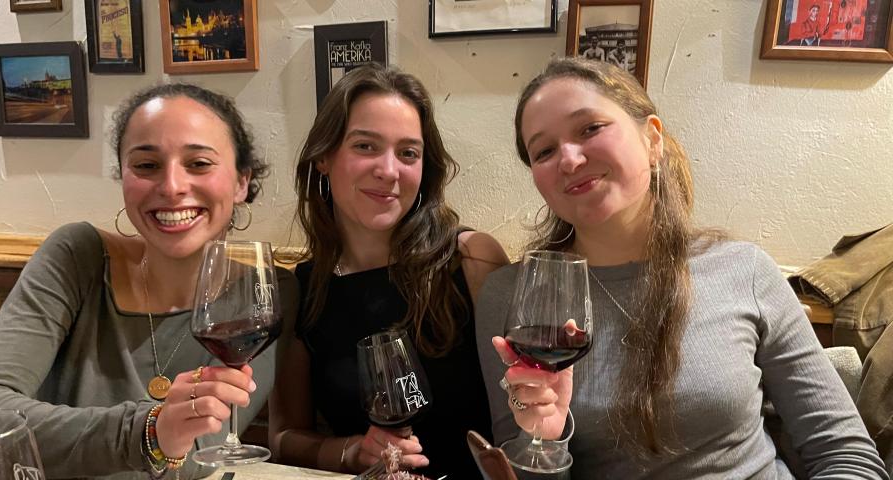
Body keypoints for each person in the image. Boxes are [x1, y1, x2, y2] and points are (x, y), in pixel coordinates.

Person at [477, 57, 889, 478]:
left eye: (590, 128)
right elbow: (517, 470)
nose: (568, 159)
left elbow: (846, 452)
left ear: (652, 140)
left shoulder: (743, 270)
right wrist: (544, 441)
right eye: (543, 151)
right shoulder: (513, 299)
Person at [0, 83, 298, 479]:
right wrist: (150, 431)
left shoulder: (266, 293)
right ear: (123, 177)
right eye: (146, 166)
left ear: (240, 182)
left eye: (199, 163)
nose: (171, 186)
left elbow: (202, 455)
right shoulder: (77, 255)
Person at [269, 64, 509, 478]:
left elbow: (523, 423)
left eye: (408, 153)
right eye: (365, 146)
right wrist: (353, 452)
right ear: (325, 157)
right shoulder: (302, 290)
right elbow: (284, 437)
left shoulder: (471, 260)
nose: (389, 170)